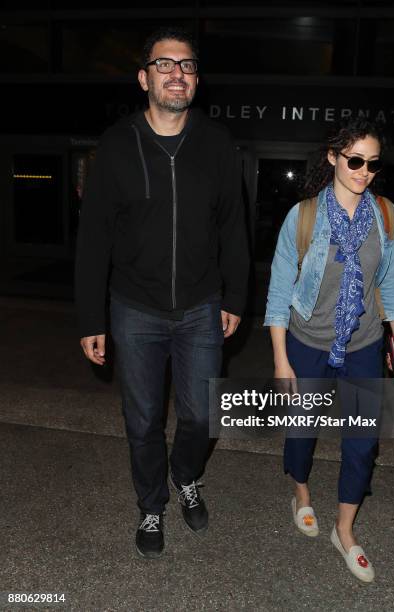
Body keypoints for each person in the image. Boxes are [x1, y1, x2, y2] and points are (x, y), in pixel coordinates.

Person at [75, 26, 249, 558]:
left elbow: (233, 229)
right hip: (135, 309)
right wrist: (89, 317)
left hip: (200, 306)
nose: (178, 73)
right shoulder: (116, 145)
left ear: (196, 79)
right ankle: (151, 507)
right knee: (143, 420)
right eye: (166, 64)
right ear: (144, 77)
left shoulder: (217, 145)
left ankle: (185, 474)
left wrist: (236, 297)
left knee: (202, 416)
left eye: (187, 65)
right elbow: (94, 239)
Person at [264, 118, 394, 583]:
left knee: (363, 445)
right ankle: (301, 494)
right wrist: (281, 359)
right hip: (307, 344)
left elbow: (390, 280)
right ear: (332, 157)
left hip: (364, 345)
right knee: (302, 432)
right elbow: (279, 291)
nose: (365, 171)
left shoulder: (385, 215)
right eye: (355, 160)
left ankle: (344, 530)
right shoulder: (303, 217)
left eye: (373, 163)